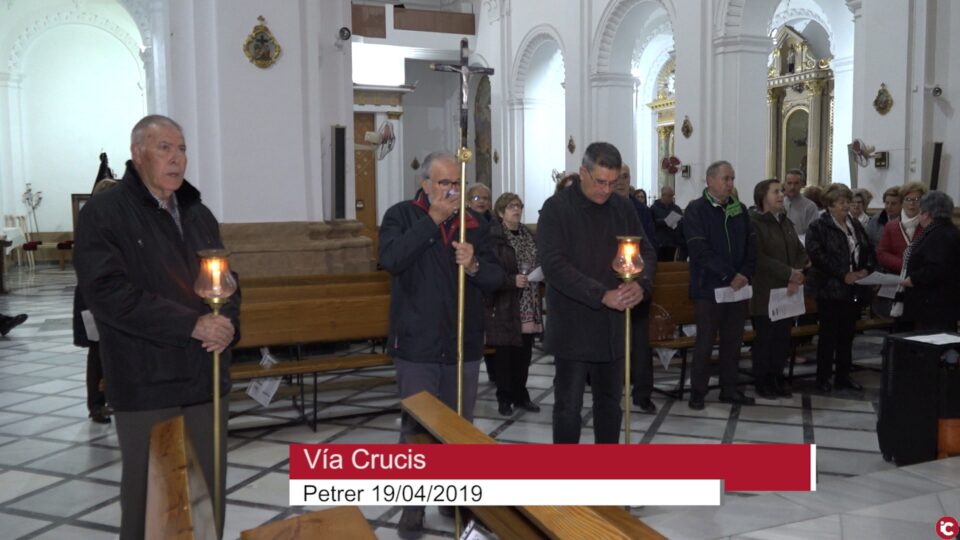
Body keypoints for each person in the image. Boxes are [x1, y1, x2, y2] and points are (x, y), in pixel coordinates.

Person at [75, 115, 239, 540]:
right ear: (137, 153)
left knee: (206, 496)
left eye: (181, 149)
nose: (176, 158)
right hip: (146, 380)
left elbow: (226, 280)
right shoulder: (105, 213)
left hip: (205, 374)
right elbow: (108, 293)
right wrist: (191, 324)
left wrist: (226, 323)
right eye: (164, 148)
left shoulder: (198, 213)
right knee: (152, 500)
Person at [379, 151, 503, 538]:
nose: (452, 191)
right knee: (417, 431)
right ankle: (413, 506)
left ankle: (453, 497)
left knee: (458, 429)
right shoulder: (401, 216)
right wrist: (432, 220)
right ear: (425, 184)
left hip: (463, 343)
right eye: (444, 183)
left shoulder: (476, 224)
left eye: (457, 184)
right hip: (416, 343)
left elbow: (498, 277)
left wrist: (475, 266)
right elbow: (392, 258)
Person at [538, 142, 656, 444]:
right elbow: (554, 265)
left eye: (613, 183)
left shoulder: (622, 207)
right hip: (573, 325)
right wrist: (601, 294)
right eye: (600, 182)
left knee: (610, 404)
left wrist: (641, 285)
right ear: (583, 172)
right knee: (568, 407)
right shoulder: (556, 208)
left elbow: (646, 252)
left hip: (612, 327)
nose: (606, 190)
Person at [683, 160, 757, 410]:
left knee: (733, 341)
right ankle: (698, 392)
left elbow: (751, 244)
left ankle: (729, 389)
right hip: (709, 288)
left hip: (738, 287)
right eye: (726, 179)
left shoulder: (739, 209)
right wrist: (729, 275)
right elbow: (699, 249)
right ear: (710, 180)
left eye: (732, 178)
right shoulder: (696, 209)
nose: (730, 183)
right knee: (705, 342)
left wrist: (744, 273)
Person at [805, 183, 875, 393]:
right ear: (830, 205)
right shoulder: (818, 226)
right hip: (829, 288)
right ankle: (823, 377)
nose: (846, 206)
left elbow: (867, 249)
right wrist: (843, 274)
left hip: (853, 288)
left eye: (848, 201)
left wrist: (866, 269)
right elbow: (818, 256)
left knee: (847, 334)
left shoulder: (855, 224)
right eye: (841, 202)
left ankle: (843, 375)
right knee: (828, 335)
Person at [749, 179, 809, 399]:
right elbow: (758, 257)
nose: (781, 195)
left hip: (788, 290)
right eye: (776, 192)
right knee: (766, 339)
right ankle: (762, 381)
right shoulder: (754, 223)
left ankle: (777, 377)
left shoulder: (785, 222)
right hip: (765, 290)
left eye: (781, 191)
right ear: (762, 196)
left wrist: (797, 274)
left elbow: (801, 252)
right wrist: (789, 273)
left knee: (782, 338)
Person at [485, 193, 543, 416]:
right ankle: (504, 397)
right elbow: (490, 270)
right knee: (505, 354)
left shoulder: (528, 233)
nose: (516, 210)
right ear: (500, 212)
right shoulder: (495, 237)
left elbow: (537, 259)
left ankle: (521, 395)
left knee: (524, 353)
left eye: (519, 206)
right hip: (505, 303)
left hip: (529, 299)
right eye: (511, 207)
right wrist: (511, 280)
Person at [75, 173, 119, 425]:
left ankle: (113, 399)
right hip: (92, 298)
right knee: (98, 352)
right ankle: (97, 404)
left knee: (112, 351)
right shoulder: (92, 224)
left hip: (113, 295)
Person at [899, 191, 960, 332]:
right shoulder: (947, 230)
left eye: (920, 211)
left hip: (934, 304)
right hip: (941, 302)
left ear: (926, 214)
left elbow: (937, 267)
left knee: (931, 340)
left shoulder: (938, 234)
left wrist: (914, 279)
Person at [877, 181, 927, 274]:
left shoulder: (928, 226)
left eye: (917, 199)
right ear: (902, 202)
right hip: (896, 276)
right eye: (907, 199)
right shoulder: (891, 226)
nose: (912, 203)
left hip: (922, 276)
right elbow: (882, 253)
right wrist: (904, 265)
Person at [616, 164, 658, 254]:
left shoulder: (643, 210)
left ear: (629, 179)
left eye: (625, 177)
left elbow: (650, 243)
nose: (621, 182)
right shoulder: (602, 207)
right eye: (617, 177)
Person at [651, 185, 685, 262]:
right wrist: (665, 221)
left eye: (672, 196)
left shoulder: (676, 209)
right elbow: (651, 223)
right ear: (663, 195)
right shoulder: (654, 208)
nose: (672, 198)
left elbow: (681, 223)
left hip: (673, 243)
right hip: (659, 243)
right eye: (670, 196)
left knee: (670, 266)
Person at [783, 169, 819, 236]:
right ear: (784, 184)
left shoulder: (810, 207)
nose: (792, 187)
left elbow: (813, 233)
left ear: (801, 184)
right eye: (789, 183)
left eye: (796, 183)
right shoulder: (778, 204)